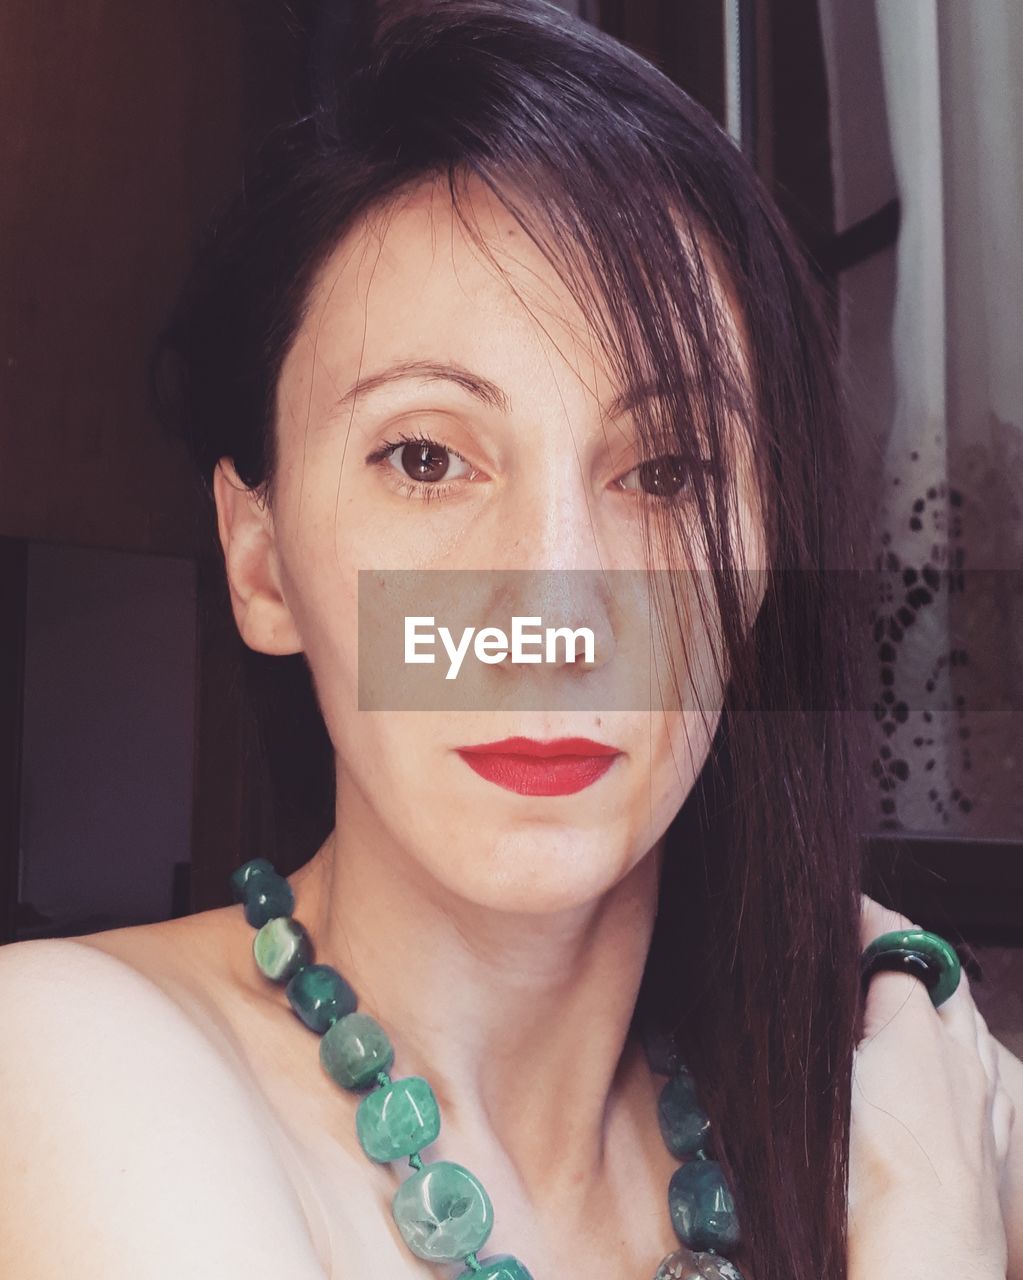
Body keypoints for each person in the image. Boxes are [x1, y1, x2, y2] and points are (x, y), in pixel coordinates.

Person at [1, 2, 1019, 1277]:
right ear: (260, 560)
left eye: (664, 471)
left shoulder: (911, 1090)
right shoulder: (75, 1067)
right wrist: (934, 1230)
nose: (551, 615)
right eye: (424, 457)